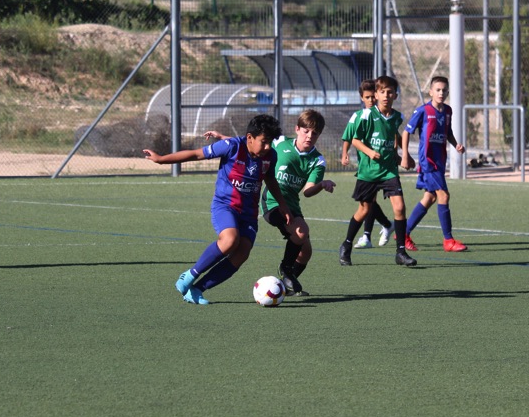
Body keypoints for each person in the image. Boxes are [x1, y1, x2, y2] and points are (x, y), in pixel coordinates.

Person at [143, 114, 291, 305]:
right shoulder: (232, 147)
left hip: (249, 214)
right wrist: (162, 159)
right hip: (225, 206)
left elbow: (270, 179)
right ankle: (190, 274)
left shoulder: (270, 156)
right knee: (230, 240)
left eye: (270, 142)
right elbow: (196, 154)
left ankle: (197, 289)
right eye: (264, 142)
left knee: (242, 253)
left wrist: (282, 205)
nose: (268, 147)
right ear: (250, 138)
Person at [205, 109, 336, 297]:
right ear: (297, 129)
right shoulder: (280, 142)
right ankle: (286, 269)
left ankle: (285, 287)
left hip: (292, 205)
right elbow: (250, 144)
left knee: (305, 251)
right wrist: (222, 138)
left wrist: (321, 185)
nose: (309, 136)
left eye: (314, 133)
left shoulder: (317, 161)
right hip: (273, 202)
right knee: (300, 232)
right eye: (306, 131)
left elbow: (307, 191)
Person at [338, 75, 416, 268]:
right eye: (382, 92)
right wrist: (370, 152)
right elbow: (355, 140)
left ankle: (400, 252)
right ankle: (346, 244)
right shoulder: (366, 115)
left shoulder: (397, 117)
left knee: (399, 208)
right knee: (364, 210)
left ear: (395, 95)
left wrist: (404, 156)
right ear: (377, 94)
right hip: (369, 172)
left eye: (390, 92)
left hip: (389, 171)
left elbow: (394, 138)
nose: (386, 96)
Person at [400, 75, 468, 252]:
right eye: (438, 90)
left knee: (430, 198)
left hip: (440, 161)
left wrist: (456, 144)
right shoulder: (422, 111)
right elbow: (406, 132)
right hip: (428, 161)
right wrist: (405, 155)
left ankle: (403, 233)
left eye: (444, 90)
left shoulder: (448, 111)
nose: (441, 93)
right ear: (430, 92)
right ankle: (448, 240)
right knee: (444, 195)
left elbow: (448, 132)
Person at [341, 79, 393, 249]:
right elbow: (349, 136)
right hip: (365, 166)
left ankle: (367, 236)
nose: (371, 100)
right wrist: (344, 153)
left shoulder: (383, 116)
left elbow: (394, 135)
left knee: (369, 202)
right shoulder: (358, 116)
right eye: (367, 97)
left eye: (373, 97)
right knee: (367, 202)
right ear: (362, 98)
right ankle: (385, 225)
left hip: (380, 167)